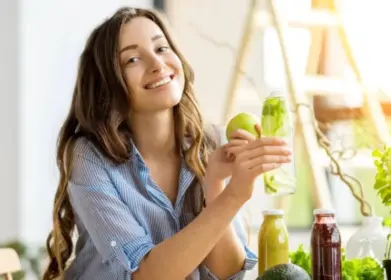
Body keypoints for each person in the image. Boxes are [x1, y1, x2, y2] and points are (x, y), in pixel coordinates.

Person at [42, 7, 292, 280]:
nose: (157, 64)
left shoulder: (212, 144)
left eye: (161, 48)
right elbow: (145, 275)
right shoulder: (90, 158)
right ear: (107, 84)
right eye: (133, 59)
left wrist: (216, 188)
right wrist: (235, 196)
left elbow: (226, 273)